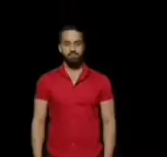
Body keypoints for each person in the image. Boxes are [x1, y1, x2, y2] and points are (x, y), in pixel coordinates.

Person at [32, 25, 116, 157]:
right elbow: (39, 120)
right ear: (60, 48)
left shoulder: (101, 81)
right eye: (67, 44)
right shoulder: (46, 81)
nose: (72, 49)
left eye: (77, 44)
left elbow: (109, 121)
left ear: (84, 46)